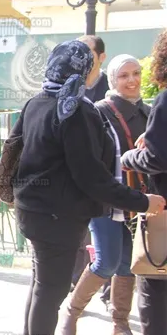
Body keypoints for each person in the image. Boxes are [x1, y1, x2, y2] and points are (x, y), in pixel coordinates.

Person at [8, 40, 164, 335]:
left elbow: (15, 150)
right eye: (91, 66)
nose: (94, 73)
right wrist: (142, 201)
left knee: (42, 287)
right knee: (49, 292)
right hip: (58, 216)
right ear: (82, 71)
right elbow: (91, 176)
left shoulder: (37, 102)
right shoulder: (74, 111)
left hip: (33, 210)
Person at [62, 54, 150, 335]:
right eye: (124, 75)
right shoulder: (100, 111)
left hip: (140, 201)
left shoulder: (150, 113)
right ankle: (72, 310)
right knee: (107, 261)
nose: (132, 80)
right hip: (106, 199)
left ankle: (120, 324)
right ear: (113, 80)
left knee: (129, 264)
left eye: (136, 73)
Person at [116, 29, 167, 335]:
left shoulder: (164, 100)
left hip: (163, 212)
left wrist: (129, 156)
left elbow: (156, 158)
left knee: (154, 288)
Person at [71, 35, 110, 300]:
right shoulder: (70, 88)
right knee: (79, 238)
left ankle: (109, 294)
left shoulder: (112, 86)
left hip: (107, 177)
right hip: (77, 179)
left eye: (87, 52)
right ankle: (75, 285)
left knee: (110, 242)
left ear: (101, 57)